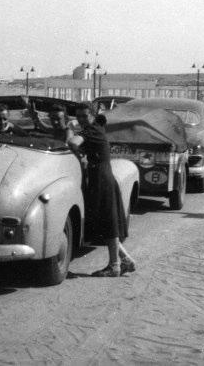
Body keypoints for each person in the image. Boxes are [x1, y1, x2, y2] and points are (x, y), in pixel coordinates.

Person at [68, 102, 136, 277]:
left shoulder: (91, 130)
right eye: (79, 116)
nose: (81, 119)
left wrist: (78, 151)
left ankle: (114, 266)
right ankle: (125, 260)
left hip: (100, 177)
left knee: (108, 222)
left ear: (92, 115)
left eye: (85, 116)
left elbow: (72, 141)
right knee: (107, 220)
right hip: (104, 175)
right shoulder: (97, 127)